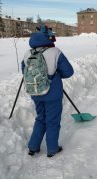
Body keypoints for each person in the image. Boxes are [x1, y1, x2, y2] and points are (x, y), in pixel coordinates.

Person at [21, 25, 74, 158]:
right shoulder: (55, 52)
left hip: (35, 91)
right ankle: (52, 149)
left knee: (40, 118)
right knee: (52, 121)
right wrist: (55, 75)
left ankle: (33, 147)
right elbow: (68, 72)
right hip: (52, 93)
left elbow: (24, 72)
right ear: (48, 38)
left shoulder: (28, 53)